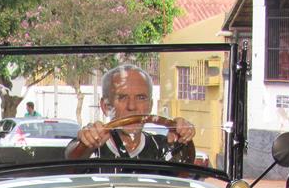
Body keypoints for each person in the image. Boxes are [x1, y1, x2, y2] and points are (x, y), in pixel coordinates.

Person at [65, 64, 194, 162]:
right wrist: (87, 140)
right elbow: (72, 157)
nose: (132, 107)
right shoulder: (94, 148)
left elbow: (182, 173)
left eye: (141, 98)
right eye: (122, 97)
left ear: (150, 106)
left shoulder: (161, 146)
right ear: (105, 106)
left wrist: (182, 135)